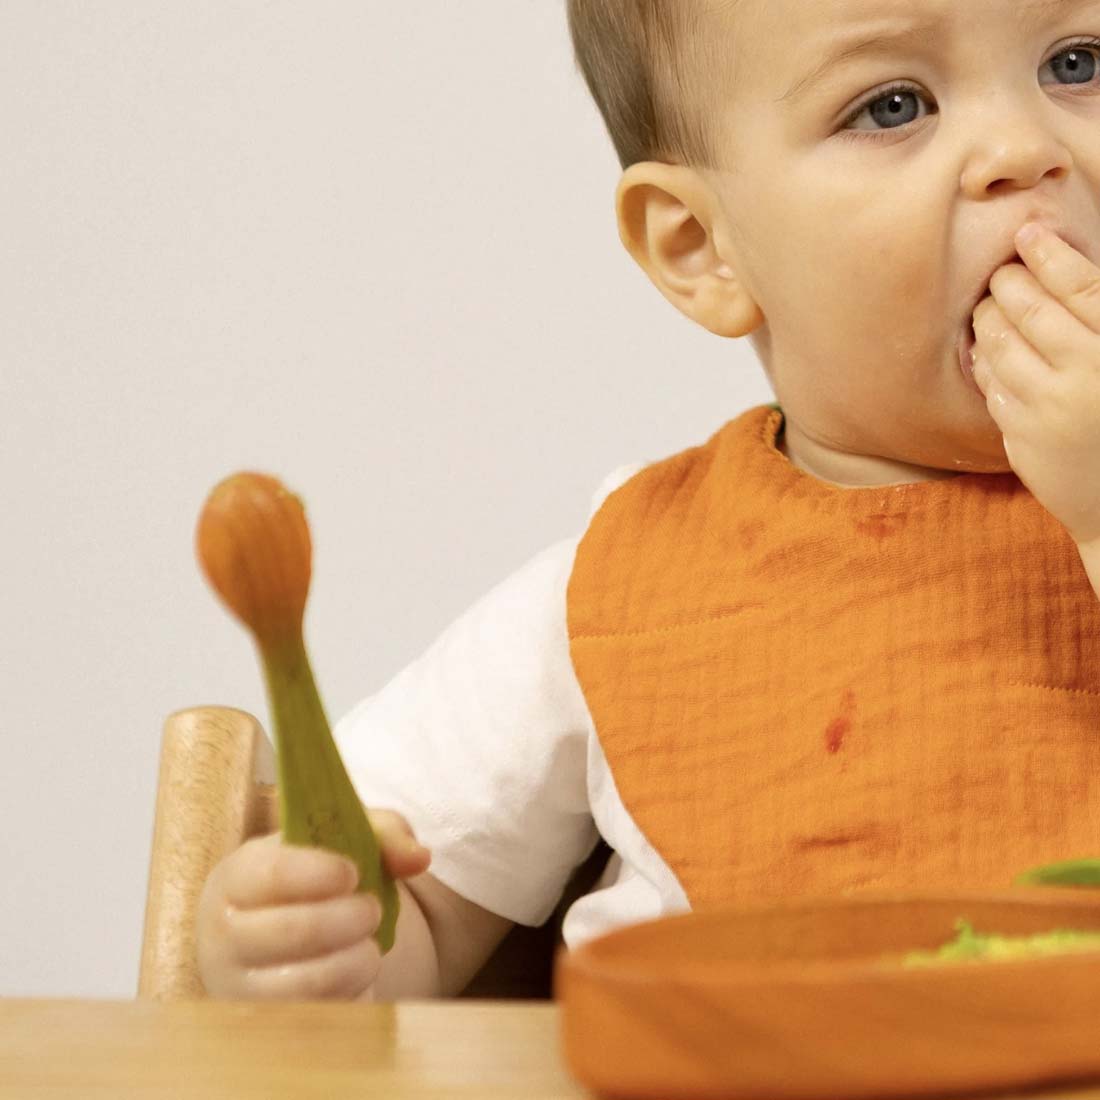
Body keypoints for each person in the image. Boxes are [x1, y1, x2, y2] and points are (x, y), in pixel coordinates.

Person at [196, 0, 1100, 1001]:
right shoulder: (622, 582)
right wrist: (318, 939)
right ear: (699, 247)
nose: (1024, 148)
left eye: (1076, 61)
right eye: (891, 105)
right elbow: (414, 900)